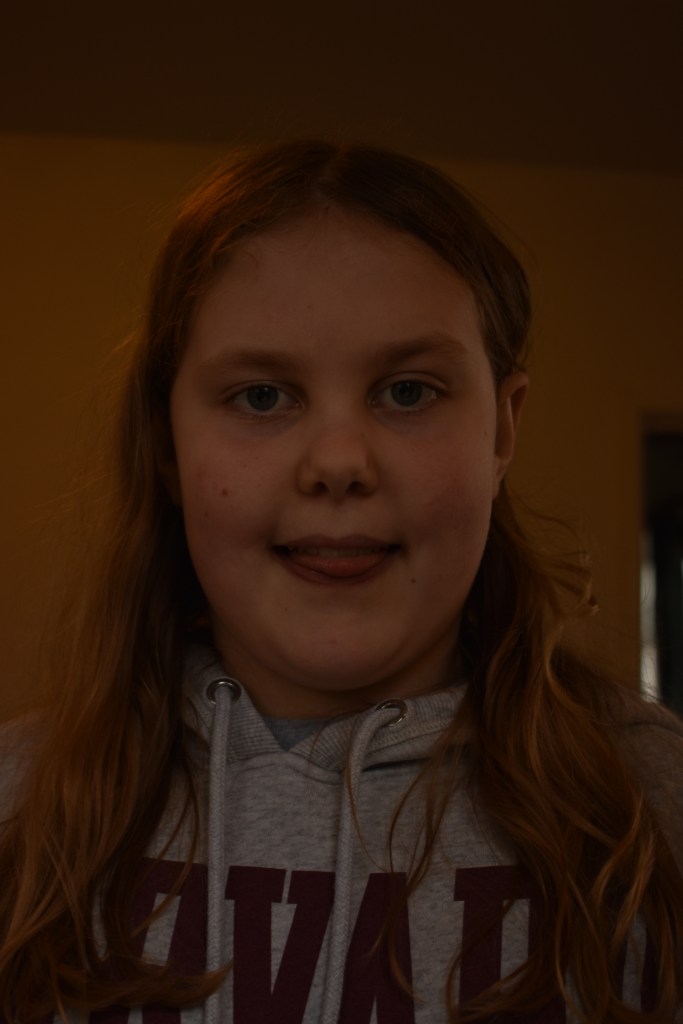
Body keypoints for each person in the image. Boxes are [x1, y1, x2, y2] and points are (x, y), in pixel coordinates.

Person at [0, 139, 681, 1024]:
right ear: (166, 442)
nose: (337, 463)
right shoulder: (18, 811)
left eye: (407, 392)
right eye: (261, 396)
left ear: (501, 432)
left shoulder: (653, 803)